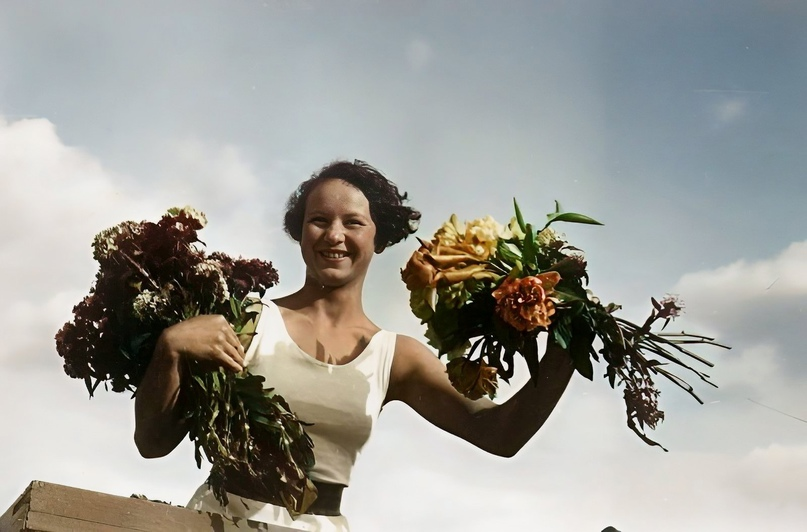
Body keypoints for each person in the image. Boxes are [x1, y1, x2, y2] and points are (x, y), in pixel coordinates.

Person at [134, 160, 575, 531]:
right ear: (300, 232)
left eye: (353, 222)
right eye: (319, 220)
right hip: (216, 522)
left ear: (378, 238)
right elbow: (152, 444)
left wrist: (569, 343)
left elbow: (499, 434)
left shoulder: (394, 356)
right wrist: (169, 349)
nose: (334, 235)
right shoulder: (246, 320)